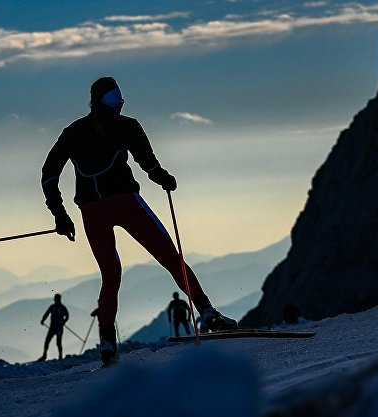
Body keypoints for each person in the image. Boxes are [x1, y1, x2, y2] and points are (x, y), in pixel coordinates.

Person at [41, 77, 237, 366]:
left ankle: (107, 342)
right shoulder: (128, 126)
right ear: (115, 102)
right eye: (118, 99)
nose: (121, 104)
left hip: (91, 211)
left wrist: (59, 213)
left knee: (111, 275)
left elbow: (48, 174)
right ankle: (207, 312)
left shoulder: (72, 132)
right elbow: (149, 164)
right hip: (125, 203)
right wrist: (165, 179)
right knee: (171, 259)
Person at [37, 293, 70, 361]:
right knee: (56, 342)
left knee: (50, 341)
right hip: (57, 327)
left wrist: (43, 320)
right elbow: (67, 316)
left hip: (54, 327)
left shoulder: (54, 307)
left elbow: (47, 314)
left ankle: (45, 355)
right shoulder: (61, 307)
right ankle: (59, 356)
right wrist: (64, 321)